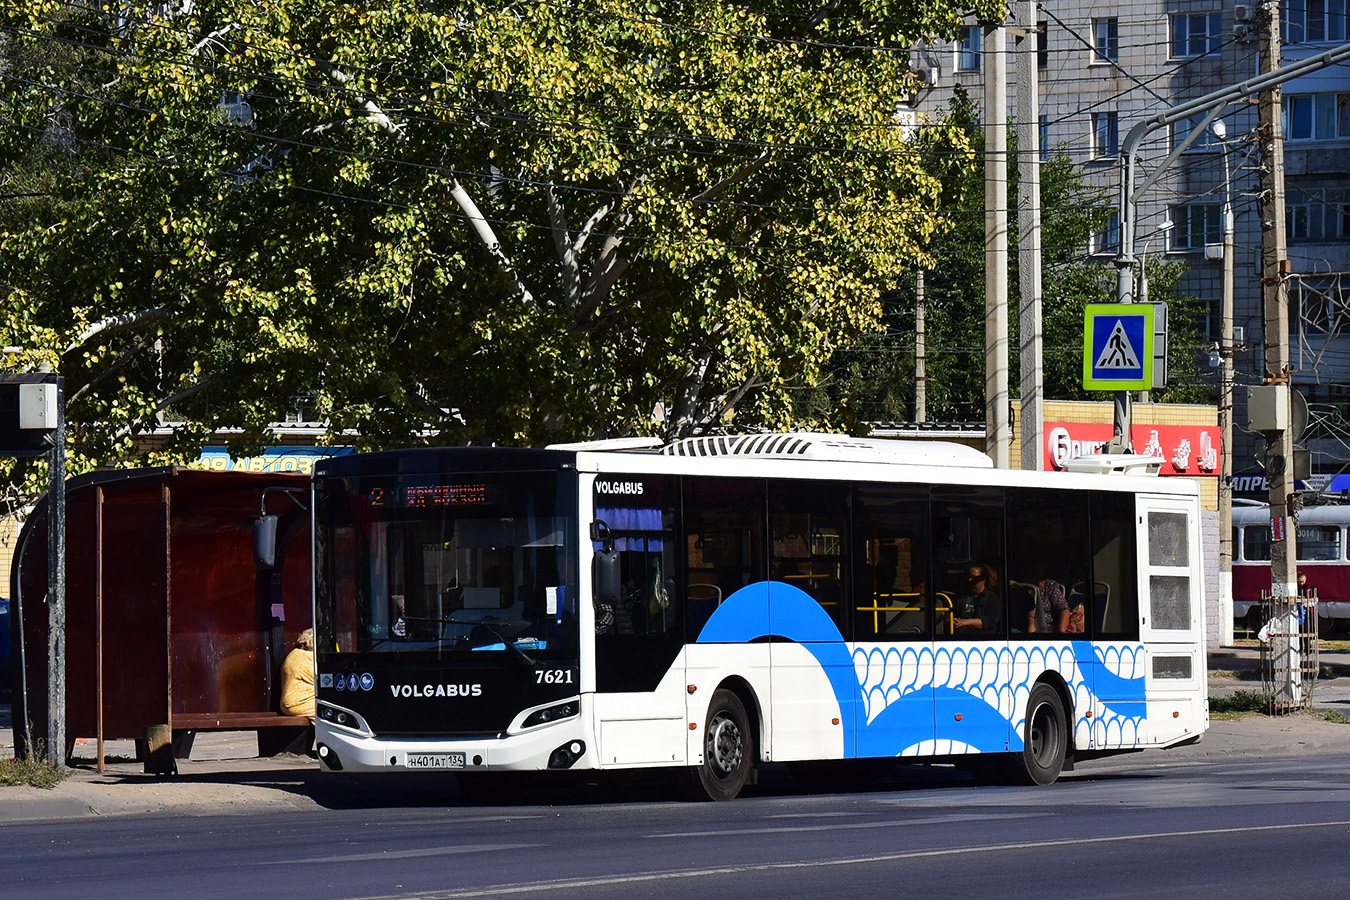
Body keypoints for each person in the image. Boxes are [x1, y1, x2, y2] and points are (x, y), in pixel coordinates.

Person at [953, 564, 1002, 635]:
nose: (970, 580)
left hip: (983, 638)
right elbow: (954, 613)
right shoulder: (962, 596)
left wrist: (966, 622)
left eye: (974, 577)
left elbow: (989, 622)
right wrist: (953, 620)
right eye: (969, 577)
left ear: (983, 580)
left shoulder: (992, 598)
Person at [280, 627, 316, 722]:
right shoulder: (306, 657)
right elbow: (320, 679)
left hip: (291, 703)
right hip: (300, 702)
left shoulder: (294, 654)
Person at [1027, 561, 1070, 635]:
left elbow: (1064, 609)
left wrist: (1062, 632)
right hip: (1022, 628)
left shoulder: (1049, 586)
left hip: (1045, 630)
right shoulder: (1021, 587)